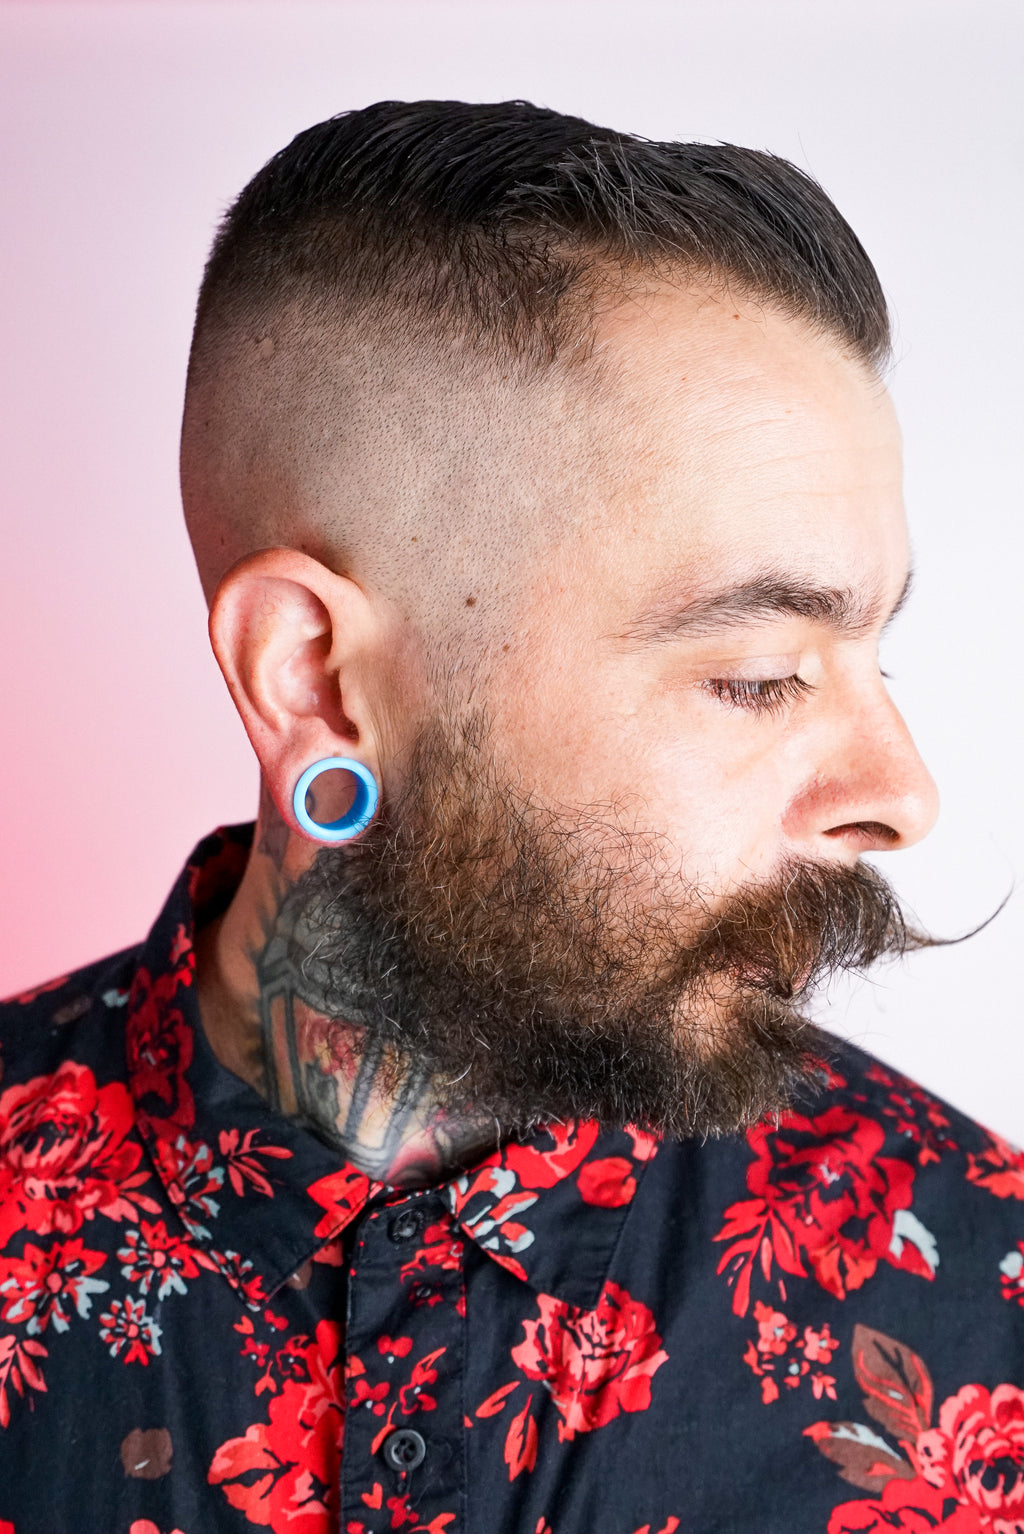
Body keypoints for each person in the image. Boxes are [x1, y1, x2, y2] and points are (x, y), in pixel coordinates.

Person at [1, 99, 1022, 1534]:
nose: (901, 796)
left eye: (874, 657)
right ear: (316, 680)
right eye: (757, 674)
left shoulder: (981, 1301)